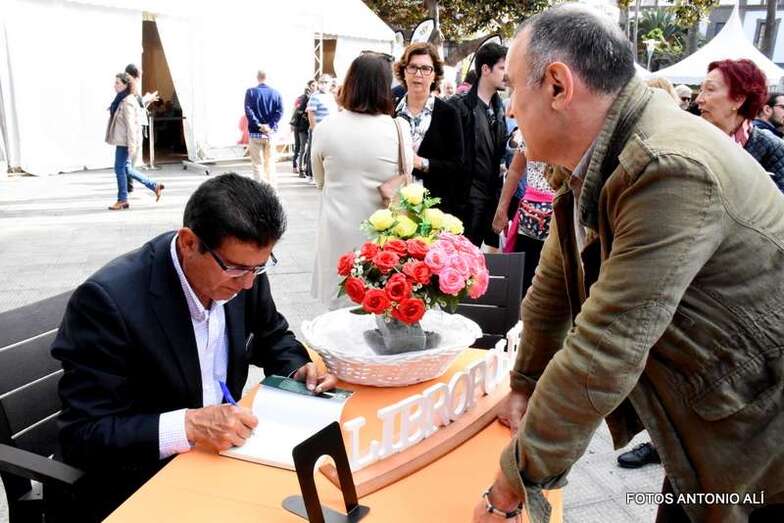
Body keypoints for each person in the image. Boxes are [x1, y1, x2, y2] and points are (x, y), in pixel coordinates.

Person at [473, 6, 784, 523]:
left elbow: (604, 348)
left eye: (513, 90)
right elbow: (553, 282)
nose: (509, 109)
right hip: (712, 418)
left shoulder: (667, 168)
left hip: (760, 439)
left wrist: (509, 488)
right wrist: (524, 383)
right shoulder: (604, 150)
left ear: (557, 86)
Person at [51, 173, 337, 521]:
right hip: (143, 480)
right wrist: (189, 426)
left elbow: (271, 335)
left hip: (224, 457)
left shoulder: (242, 272)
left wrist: (297, 368)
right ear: (188, 243)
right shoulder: (109, 303)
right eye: (236, 269)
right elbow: (83, 435)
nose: (248, 283)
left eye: (259, 267)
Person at [309, 53, 413, 309]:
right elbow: (406, 177)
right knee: (380, 312)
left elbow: (319, 181)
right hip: (382, 245)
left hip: (336, 241)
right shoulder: (399, 129)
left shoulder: (325, 128)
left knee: (336, 321)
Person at [449, 43, 508, 249]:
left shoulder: (499, 108)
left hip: (488, 202)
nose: (506, 74)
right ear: (485, 69)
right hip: (462, 204)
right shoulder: (458, 106)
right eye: (502, 68)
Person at [394, 42, 464, 216]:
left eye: (426, 68)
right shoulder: (389, 110)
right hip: (392, 204)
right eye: (413, 67)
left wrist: (421, 162)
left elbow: (457, 165)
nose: (418, 74)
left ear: (434, 75)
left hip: (433, 210)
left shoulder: (449, 114)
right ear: (404, 71)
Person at [696, 59, 784, 194]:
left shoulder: (773, 149)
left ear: (738, 99)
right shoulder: (691, 137)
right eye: (700, 90)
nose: (699, 99)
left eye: (710, 90)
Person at [105, 72, 164, 210]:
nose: (115, 86)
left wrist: (132, 145)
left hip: (125, 141)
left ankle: (122, 199)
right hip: (122, 140)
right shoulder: (121, 99)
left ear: (125, 85)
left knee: (119, 168)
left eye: (118, 83)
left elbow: (131, 125)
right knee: (126, 168)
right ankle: (153, 185)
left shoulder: (127, 101)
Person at [244, 69, 283, 187]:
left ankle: (260, 190)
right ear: (268, 78)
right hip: (270, 134)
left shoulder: (250, 92)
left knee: (257, 164)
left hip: (255, 133)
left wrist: (258, 125)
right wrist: (269, 125)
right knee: (270, 163)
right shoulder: (276, 93)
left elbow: (248, 111)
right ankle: (272, 189)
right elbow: (280, 111)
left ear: (257, 78)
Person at [304, 74, 338, 183]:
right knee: (315, 153)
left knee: (328, 153)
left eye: (326, 82)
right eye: (321, 82)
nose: (323, 84)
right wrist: (315, 129)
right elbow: (311, 113)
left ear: (330, 84)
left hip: (330, 130)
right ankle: (313, 175)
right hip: (318, 129)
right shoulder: (315, 96)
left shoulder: (331, 96)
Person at [290, 80, 316, 176]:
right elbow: (298, 111)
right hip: (301, 126)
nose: (315, 87)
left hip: (308, 126)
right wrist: (306, 114)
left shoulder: (315, 97)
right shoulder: (304, 98)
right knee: (301, 148)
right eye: (313, 85)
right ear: (309, 86)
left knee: (306, 149)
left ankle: (304, 168)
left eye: (315, 85)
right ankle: (298, 168)